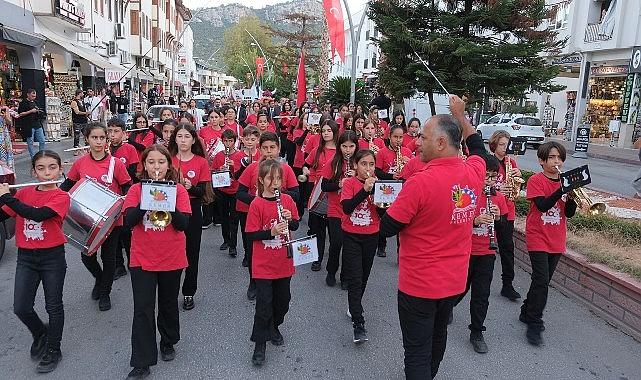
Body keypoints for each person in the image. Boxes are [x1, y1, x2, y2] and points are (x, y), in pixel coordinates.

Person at [379, 95, 486, 379]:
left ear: (440, 143)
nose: (416, 142)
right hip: (452, 281)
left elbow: (387, 227)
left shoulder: (420, 183)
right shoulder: (474, 173)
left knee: (416, 351)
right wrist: (461, 116)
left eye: (423, 137)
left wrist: (377, 201)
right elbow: (477, 148)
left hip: (418, 285)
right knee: (438, 339)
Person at [123, 145, 191, 379]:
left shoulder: (179, 190)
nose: (156, 167)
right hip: (142, 257)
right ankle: (142, 361)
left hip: (171, 257)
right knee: (142, 308)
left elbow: (183, 224)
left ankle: (168, 340)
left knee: (168, 303)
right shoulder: (135, 190)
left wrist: (167, 201)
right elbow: (128, 222)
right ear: (144, 166)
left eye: (161, 162)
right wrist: (147, 198)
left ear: (168, 165)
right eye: (151, 162)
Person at [0, 151, 70, 373]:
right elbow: (6, 214)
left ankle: (53, 349)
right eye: (41, 168)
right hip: (26, 257)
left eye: (52, 167)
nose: (47, 173)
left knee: (54, 305)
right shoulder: (24, 193)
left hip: (52, 257)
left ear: (60, 170)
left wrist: (7, 197)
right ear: (33, 171)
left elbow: (37, 215)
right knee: (21, 307)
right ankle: (40, 332)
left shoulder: (61, 196)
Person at [60, 123, 132, 311]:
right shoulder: (80, 163)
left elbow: (127, 186)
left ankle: (105, 293)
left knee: (109, 258)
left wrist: (124, 201)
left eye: (102, 138)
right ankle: (100, 280)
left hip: (112, 220)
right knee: (87, 257)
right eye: (94, 138)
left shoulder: (116, 164)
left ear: (106, 139)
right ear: (87, 139)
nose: (98, 141)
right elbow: (67, 185)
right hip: (87, 219)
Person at [520, 141, 577, 346]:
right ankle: (534, 323)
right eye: (551, 158)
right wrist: (560, 190)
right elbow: (543, 206)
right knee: (541, 281)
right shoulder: (536, 180)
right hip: (538, 235)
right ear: (541, 161)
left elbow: (569, 213)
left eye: (559, 157)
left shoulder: (565, 181)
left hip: (557, 237)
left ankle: (527, 309)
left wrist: (570, 198)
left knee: (542, 282)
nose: (556, 161)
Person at [246, 159, 300, 366]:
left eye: (278, 178)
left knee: (283, 302)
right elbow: (250, 235)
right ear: (261, 180)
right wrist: (271, 231)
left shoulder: (287, 200)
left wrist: (290, 219)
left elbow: (295, 223)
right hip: (263, 265)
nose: (275, 182)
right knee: (263, 306)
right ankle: (260, 344)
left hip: (284, 262)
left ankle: (274, 326)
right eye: (270, 178)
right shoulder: (256, 203)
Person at [452, 153, 507, 354]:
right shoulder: (465, 195)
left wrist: (499, 218)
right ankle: (447, 307)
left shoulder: (497, 197)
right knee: (460, 288)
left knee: (481, 294)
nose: (489, 181)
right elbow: (455, 222)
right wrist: (474, 221)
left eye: (493, 177)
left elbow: (502, 226)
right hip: (466, 250)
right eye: (486, 176)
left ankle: (477, 331)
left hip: (487, 251)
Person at [237, 132, 299, 300]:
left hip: (277, 211)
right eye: (265, 148)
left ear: (278, 149)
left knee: (276, 248)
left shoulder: (285, 169)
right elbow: (240, 193)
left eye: (272, 148)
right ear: (260, 149)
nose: (269, 152)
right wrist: (259, 201)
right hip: (254, 211)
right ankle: (253, 281)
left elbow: (296, 193)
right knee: (252, 250)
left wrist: (275, 194)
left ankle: (276, 279)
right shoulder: (252, 168)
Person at [169, 123, 211, 311]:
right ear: (175, 139)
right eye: (180, 136)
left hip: (193, 208)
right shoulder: (167, 160)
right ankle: (170, 290)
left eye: (187, 136)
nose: (183, 140)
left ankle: (188, 292)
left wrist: (190, 187)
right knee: (171, 251)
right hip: (171, 207)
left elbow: (203, 191)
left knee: (192, 252)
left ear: (193, 139)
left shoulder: (201, 162)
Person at [340, 149, 380, 344]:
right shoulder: (349, 183)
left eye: (371, 164)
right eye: (363, 164)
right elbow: (347, 207)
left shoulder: (378, 183)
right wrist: (364, 190)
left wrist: (380, 198)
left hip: (371, 235)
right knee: (355, 279)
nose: (368, 168)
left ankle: (353, 304)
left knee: (363, 276)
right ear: (355, 166)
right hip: (351, 235)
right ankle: (359, 323)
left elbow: (383, 212)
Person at [488, 130, 524, 301]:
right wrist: (497, 189)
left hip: (507, 211)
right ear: (494, 145)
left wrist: (519, 178)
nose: (505, 148)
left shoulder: (512, 163)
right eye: (502, 145)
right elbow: (480, 183)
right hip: (490, 209)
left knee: (508, 249)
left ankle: (507, 285)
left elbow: (518, 189)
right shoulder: (488, 162)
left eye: (507, 145)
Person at [320, 130, 358, 288]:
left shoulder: (359, 162)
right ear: (339, 146)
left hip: (352, 208)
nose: (348, 150)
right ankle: (331, 271)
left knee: (349, 246)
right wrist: (340, 183)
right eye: (344, 146)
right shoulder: (333, 162)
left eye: (351, 146)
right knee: (336, 242)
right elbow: (324, 186)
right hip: (335, 207)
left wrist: (356, 176)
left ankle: (345, 276)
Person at [107, 118, 140, 279]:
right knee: (113, 233)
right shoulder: (105, 150)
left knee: (126, 232)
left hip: (125, 195)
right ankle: (118, 265)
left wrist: (119, 168)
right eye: (110, 131)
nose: (112, 135)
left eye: (116, 131)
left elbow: (134, 174)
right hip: (108, 198)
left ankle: (131, 260)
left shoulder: (129, 149)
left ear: (124, 133)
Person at [304, 120, 338, 271]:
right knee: (318, 229)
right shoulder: (317, 150)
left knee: (334, 230)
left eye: (328, 130)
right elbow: (307, 164)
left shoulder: (340, 151)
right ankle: (316, 258)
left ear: (334, 132)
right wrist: (305, 170)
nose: (325, 133)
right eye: (323, 131)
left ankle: (333, 260)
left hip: (334, 192)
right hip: (318, 190)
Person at [374, 124, 412, 257]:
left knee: (401, 219)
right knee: (383, 217)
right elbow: (377, 171)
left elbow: (413, 173)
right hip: (385, 189)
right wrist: (391, 176)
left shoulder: (407, 152)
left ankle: (400, 250)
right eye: (395, 137)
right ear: (389, 137)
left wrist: (409, 163)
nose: (398, 140)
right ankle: (381, 245)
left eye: (401, 137)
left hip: (401, 189)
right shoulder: (382, 152)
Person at [211, 129, 240, 257]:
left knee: (234, 218)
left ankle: (233, 245)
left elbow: (242, 175)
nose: (228, 144)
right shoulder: (219, 156)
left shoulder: (239, 155)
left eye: (231, 141)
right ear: (222, 142)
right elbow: (212, 171)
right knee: (224, 217)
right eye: (225, 141)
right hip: (222, 189)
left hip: (235, 190)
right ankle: (226, 240)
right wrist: (220, 169)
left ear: (234, 142)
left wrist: (233, 166)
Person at [235, 126, 261, 265]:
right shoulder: (239, 155)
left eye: (253, 139)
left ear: (257, 140)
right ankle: (247, 253)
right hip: (245, 202)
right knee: (245, 229)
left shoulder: (261, 155)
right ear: (242, 140)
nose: (250, 142)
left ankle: (256, 253)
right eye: (247, 139)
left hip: (260, 200)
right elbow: (236, 176)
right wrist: (244, 167)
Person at [18, 89, 46, 157]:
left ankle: (41, 155)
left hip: (37, 124)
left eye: (35, 96)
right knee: (30, 142)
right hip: (29, 125)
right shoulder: (23, 103)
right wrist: (30, 111)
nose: (34, 97)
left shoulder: (35, 102)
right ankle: (33, 157)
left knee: (42, 140)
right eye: (32, 96)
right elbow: (20, 114)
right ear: (28, 94)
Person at [0, 106, 15, 171]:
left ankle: (6, 171)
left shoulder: (5, 108)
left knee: (5, 152)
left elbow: (10, 122)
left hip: (3, 134)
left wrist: (5, 117)